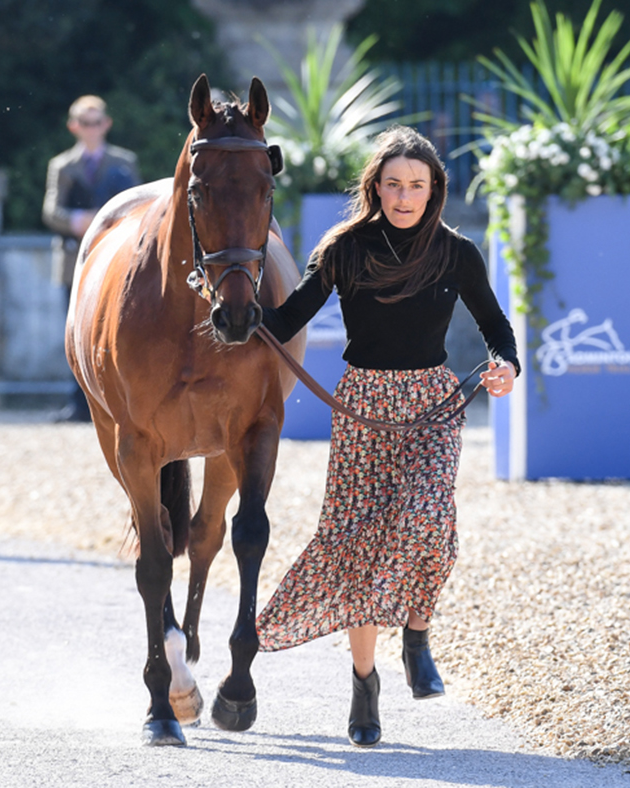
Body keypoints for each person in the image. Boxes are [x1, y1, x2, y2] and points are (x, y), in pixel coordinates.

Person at [254, 125, 519, 747]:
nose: (404, 196)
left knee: (427, 520)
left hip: (431, 402)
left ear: (435, 191)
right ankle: (364, 681)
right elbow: (288, 318)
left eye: (417, 186)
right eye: (394, 184)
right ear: (376, 186)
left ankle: (418, 635)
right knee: (359, 543)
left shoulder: (457, 252)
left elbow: (496, 326)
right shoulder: (344, 247)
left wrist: (505, 363)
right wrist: (235, 314)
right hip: (363, 404)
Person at [42, 95, 140, 422]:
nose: (92, 128)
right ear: (74, 127)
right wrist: (75, 220)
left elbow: (138, 204)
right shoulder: (62, 165)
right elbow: (51, 210)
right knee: (76, 333)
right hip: (75, 260)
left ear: (106, 124)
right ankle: (78, 401)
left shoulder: (125, 162)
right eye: (85, 122)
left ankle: (113, 400)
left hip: (116, 261)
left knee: (117, 331)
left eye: (96, 121)